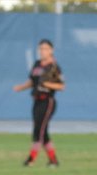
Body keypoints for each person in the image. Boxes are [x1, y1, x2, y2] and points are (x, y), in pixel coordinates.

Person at [13, 38, 64, 168]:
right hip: (36, 100)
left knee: (38, 130)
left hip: (48, 101)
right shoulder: (37, 64)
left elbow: (61, 86)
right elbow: (32, 82)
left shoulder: (54, 67)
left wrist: (48, 84)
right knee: (43, 132)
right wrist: (21, 87)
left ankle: (31, 159)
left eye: (45, 48)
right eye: (41, 48)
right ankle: (53, 160)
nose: (43, 51)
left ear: (51, 50)